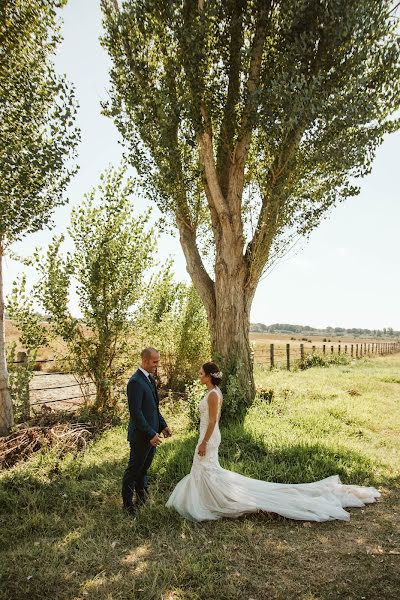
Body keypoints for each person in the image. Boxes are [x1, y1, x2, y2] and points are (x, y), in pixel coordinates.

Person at [166, 361, 380, 522]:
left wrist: (204, 442)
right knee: (207, 470)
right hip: (210, 435)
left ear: (209, 377)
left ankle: (213, 500)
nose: (199, 376)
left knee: (205, 469)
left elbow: (213, 420)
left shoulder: (213, 394)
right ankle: (209, 497)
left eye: (201, 374)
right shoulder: (213, 392)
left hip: (209, 436)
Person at [122, 347, 171, 516]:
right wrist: (151, 433)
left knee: (144, 469)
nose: (157, 365)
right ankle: (128, 506)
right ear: (145, 361)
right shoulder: (135, 382)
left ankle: (142, 497)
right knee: (133, 470)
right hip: (141, 435)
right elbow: (136, 413)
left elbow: (153, 408)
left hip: (152, 434)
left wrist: (163, 425)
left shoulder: (149, 378)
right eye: (155, 361)